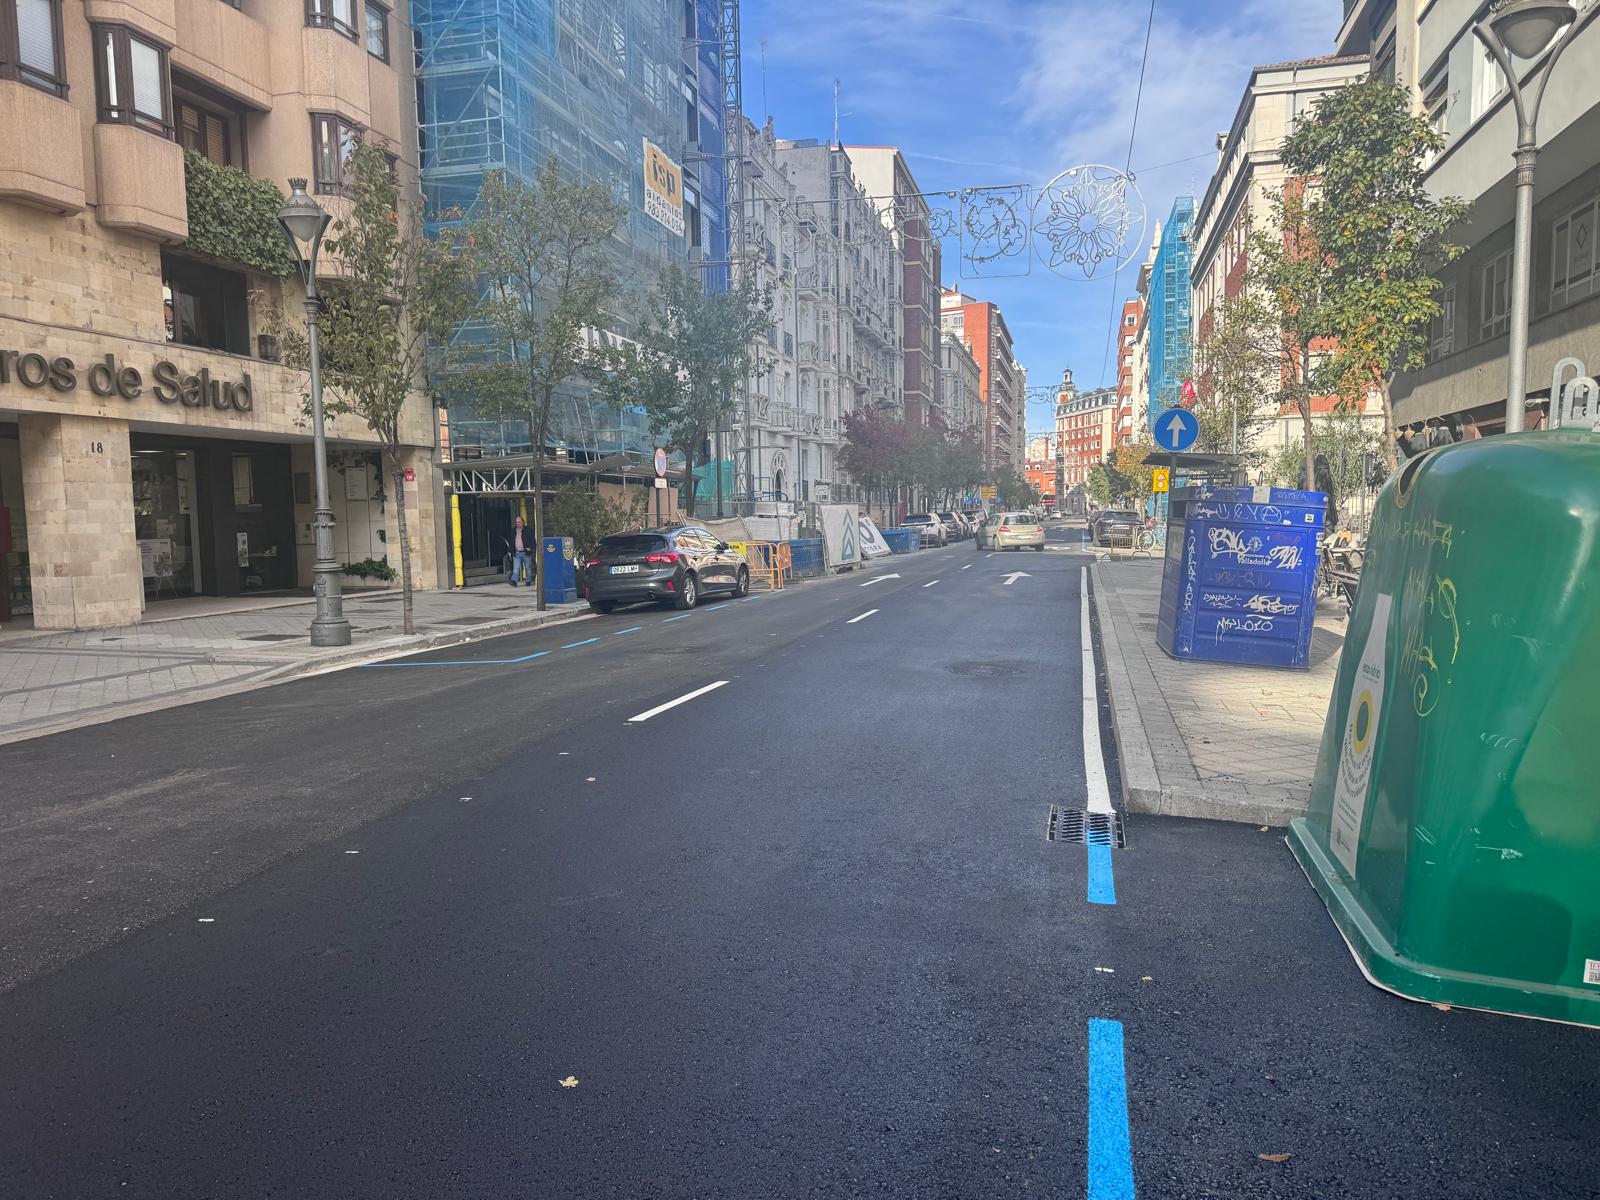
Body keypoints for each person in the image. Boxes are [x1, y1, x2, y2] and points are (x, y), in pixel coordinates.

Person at [509, 516, 534, 588]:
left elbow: (532, 540)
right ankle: (514, 581)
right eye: (517, 522)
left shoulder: (528, 530)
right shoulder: (513, 531)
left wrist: (531, 548)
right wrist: (510, 551)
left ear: (523, 522)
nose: (518, 524)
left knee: (528, 568)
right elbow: (511, 542)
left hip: (526, 552)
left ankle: (528, 581)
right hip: (516, 552)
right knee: (516, 568)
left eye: (519, 522)